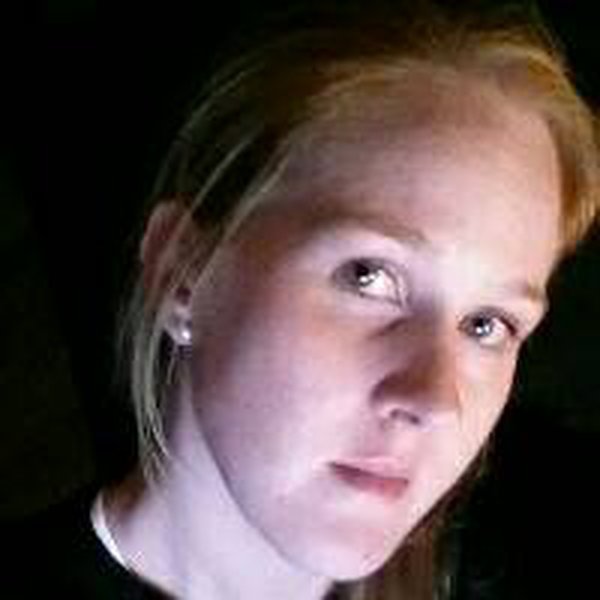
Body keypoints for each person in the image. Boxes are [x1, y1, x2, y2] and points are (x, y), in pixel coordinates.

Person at [8, 1, 599, 598]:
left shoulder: (546, 535)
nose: (434, 399)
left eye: (487, 324)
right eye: (368, 276)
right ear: (182, 271)